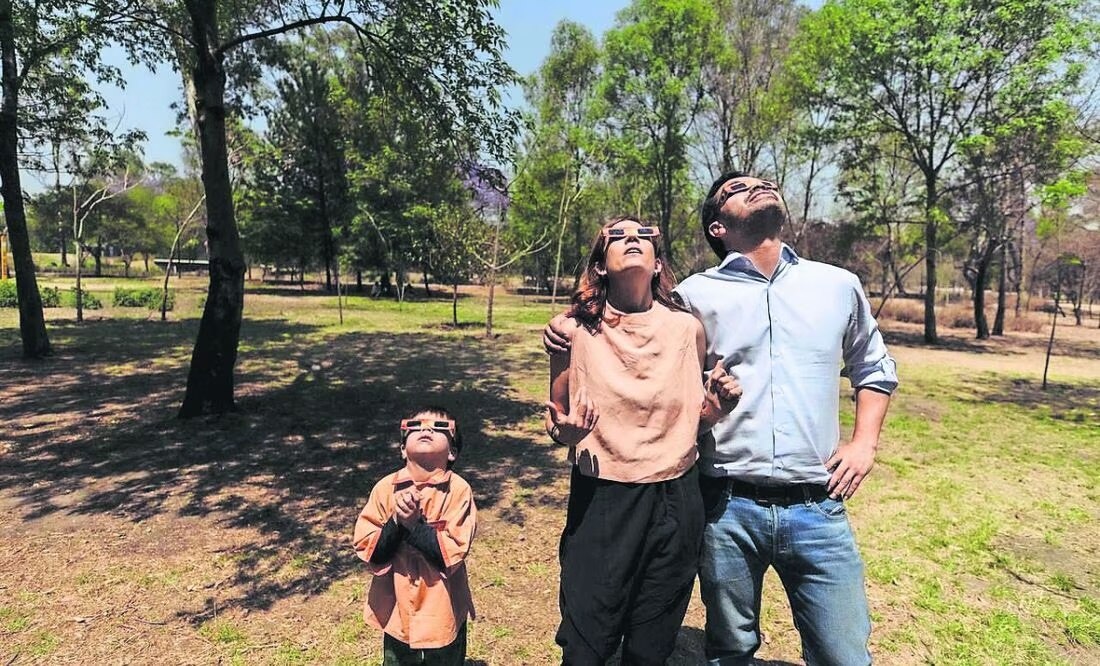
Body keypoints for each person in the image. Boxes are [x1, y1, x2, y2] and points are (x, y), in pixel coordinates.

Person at [544, 173, 898, 665]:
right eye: (738, 188)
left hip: (818, 504)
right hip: (726, 507)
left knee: (844, 654)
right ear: (716, 227)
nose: (761, 185)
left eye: (765, 181)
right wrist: (566, 330)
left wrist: (864, 443)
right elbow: (636, 350)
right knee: (728, 649)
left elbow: (874, 366)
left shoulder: (837, 285)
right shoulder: (694, 296)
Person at [546, 216, 742, 666]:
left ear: (657, 265)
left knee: (652, 643)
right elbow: (557, 418)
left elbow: (694, 421)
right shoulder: (571, 330)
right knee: (584, 644)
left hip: (675, 497)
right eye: (618, 235)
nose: (632, 239)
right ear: (599, 266)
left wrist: (718, 408)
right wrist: (567, 432)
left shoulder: (686, 329)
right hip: (602, 497)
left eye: (644, 236)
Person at [352, 406, 476, 666]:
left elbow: (452, 553)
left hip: (443, 608)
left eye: (440, 427)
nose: (426, 429)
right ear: (402, 448)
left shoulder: (458, 491)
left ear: (452, 451)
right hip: (397, 608)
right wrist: (397, 523)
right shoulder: (385, 489)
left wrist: (414, 526)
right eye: (415, 426)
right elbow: (370, 549)